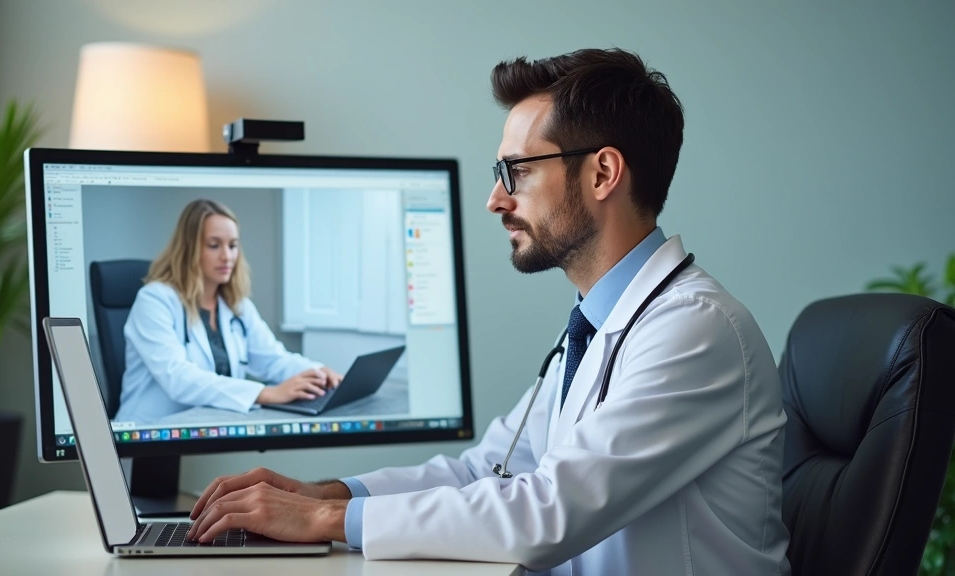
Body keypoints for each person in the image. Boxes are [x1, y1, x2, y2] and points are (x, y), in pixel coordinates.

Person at [184, 48, 792, 575]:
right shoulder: (600, 324)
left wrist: (325, 518)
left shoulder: (694, 330)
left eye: (517, 170)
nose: (495, 198)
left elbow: (545, 511)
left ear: (603, 172)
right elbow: (491, 468)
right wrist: (330, 492)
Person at [115, 199, 343, 424]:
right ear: (189, 249)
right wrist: (265, 393)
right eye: (214, 245)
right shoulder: (155, 300)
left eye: (233, 245)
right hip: (148, 435)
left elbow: (272, 359)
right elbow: (178, 378)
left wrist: (318, 372)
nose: (227, 256)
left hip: (205, 429)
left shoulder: (236, 305)